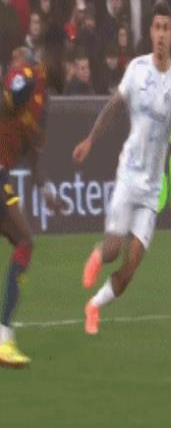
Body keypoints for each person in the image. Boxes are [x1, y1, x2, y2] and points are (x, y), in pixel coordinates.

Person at [72, 0, 171, 335]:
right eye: (156, 27)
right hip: (129, 174)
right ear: (151, 33)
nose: (161, 34)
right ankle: (98, 254)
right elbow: (113, 107)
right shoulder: (137, 70)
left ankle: (93, 306)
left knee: (130, 267)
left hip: (152, 188)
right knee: (114, 250)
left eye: (166, 28)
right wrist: (90, 140)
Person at [0, 33, 64, 368]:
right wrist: (12, 98)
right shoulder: (25, 72)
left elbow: (35, 164)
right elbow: (6, 103)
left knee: (25, 241)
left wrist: (48, 192)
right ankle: (3, 338)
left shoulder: (44, 108)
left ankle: (4, 337)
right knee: (25, 239)